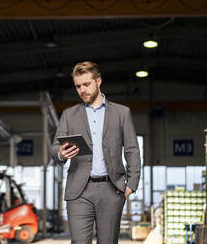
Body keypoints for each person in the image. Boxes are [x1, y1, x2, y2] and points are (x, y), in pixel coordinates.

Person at [51, 61, 141, 244]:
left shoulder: (122, 113)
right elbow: (54, 148)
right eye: (78, 86)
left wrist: (131, 184)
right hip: (78, 192)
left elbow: (132, 149)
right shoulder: (69, 114)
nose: (82, 90)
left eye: (86, 84)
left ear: (98, 81)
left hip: (111, 189)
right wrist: (61, 153)